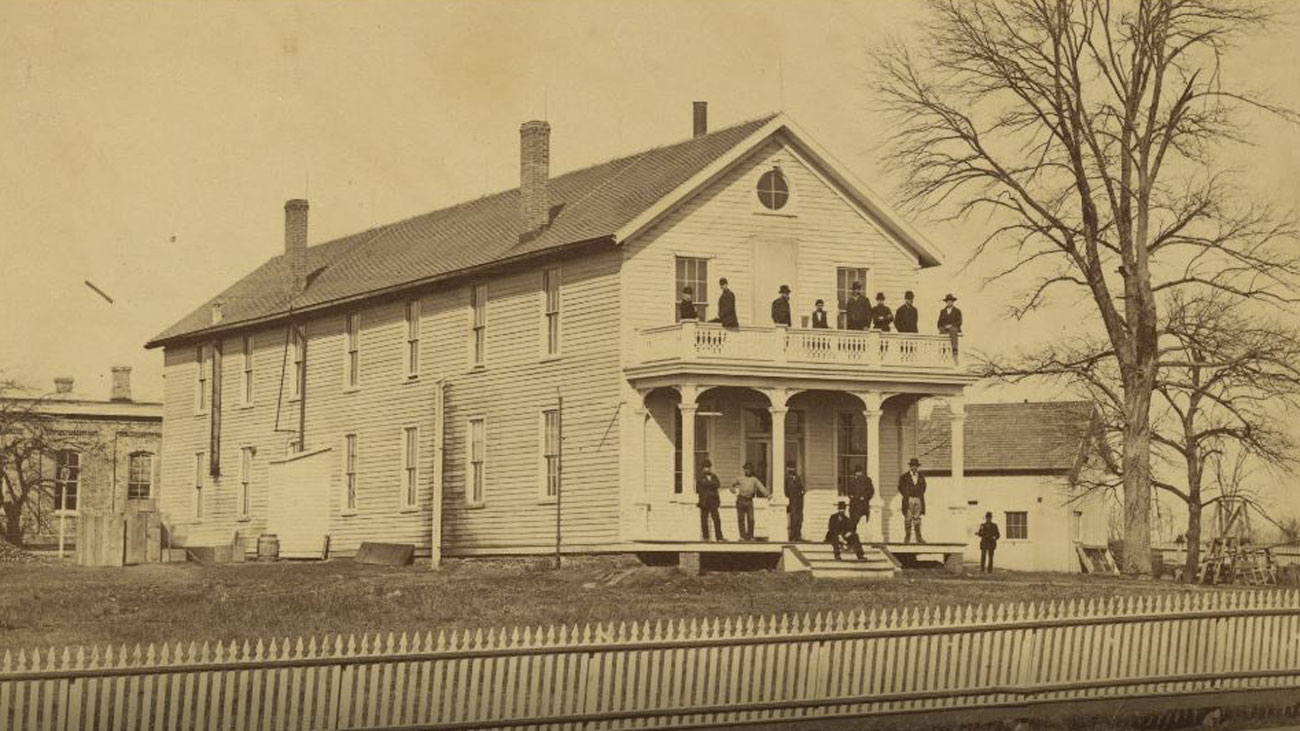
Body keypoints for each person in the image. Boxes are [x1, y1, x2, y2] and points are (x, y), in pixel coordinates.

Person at [730, 461, 770, 540]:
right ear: (744, 470)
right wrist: (733, 490)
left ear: (751, 470)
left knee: (751, 519)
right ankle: (742, 536)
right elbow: (732, 485)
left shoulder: (754, 479)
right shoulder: (740, 478)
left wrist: (767, 495)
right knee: (741, 519)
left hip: (749, 501)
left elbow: (761, 487)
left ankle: (750, 536)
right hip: (740, 500)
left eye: (749, 469)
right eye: (746, 469)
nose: (747, 470)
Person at [898, 457, 928, 543]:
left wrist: (919, 494)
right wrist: (907, 495)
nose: (914, 467)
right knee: (908, 518)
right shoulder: (904, 477)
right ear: (910, 467)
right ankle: (907, 538)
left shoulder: (921, 476)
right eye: (912, 466)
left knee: (917, 519)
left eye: (915, 466)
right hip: (908, 499)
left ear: (917, 467)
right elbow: (900, 487)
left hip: (918, 499)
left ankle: (919, 538)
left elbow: (924, 487)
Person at [696, 459, 724, 541]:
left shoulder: (714, 476)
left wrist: (708, 485)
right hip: (704, 501)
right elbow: (700, 486)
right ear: (703, 468)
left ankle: (719, 537)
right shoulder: (700, 477)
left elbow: (717, 484)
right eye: (705, 467)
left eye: (708, 467)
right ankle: (706, 537)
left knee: (717, 519)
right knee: (704, 520)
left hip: (713, 501)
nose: (707, 469)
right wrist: (711, 485)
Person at [845, 464, 874, 535]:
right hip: (853, 503)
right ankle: (852, 534)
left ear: (862, 472)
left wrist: (864, 497)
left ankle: (852, 533)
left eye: (859, 472)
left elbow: (871, 491)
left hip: (862, 504)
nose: (858, 473)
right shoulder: (853, 481)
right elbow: (849, 491)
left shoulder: (867, 480)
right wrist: (851, 495)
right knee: (852, 519)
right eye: (857, 472)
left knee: (857, 519)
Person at [783, 461, 805, 541]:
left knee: (799, 518)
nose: (792, 469)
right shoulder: (786, 479)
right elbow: (785, 490)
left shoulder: (798, 478)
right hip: (791, 501)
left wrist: (802, 492)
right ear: (787, 468)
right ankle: (792, 536)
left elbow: (801, 487)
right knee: (793, 519)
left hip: (798, 501)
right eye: (790, 468)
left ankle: (798, 535)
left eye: (793, 468)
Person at [938, 293, 962, 359]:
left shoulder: (957, 311)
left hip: (953, 329)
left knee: (953, 330)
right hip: (945, 329)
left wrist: (951, 325)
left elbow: (959, 322)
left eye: (950, 301)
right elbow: (939, 323)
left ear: (953, 302)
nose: (949, 302)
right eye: (948, 301)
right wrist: (944, 326)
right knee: (941, 332)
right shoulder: (942, 311)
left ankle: (955, 351)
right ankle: (943, 352)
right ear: (946, 302)